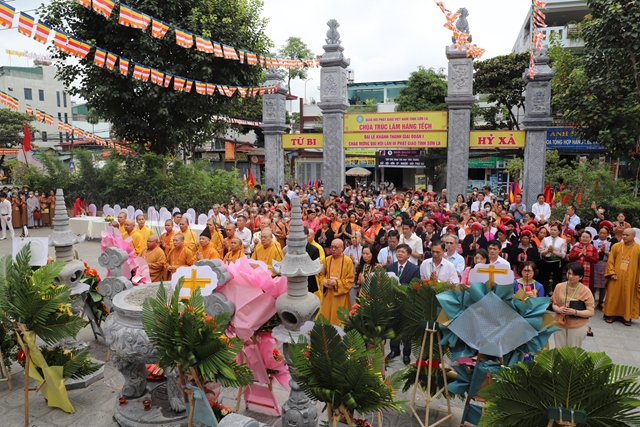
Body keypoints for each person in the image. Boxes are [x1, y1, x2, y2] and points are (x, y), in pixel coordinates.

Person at [551, 262, 595, 348]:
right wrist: (559, 309)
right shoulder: (559, 286)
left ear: (581, 277)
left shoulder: (585, 290)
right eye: (569, 273)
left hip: (577, 325)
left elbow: (591, 312)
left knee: (572, 351)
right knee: (559, 349)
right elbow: (554, 304)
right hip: (559, 322)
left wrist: (574, 312)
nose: (570, 276)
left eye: (574, 274)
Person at [603, 228, 640, 326]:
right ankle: (610, 314)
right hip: (616, 276)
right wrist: (611, 273)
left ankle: (626, 316)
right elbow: (610, 261)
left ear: (634, 236)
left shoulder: (638, 248)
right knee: (613, 295)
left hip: (631, 277)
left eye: (627, 235)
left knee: (627, 296)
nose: (624, 236)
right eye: (623, 234)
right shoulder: (616, 246)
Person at [317, 239, 355, 326]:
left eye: (336, 247)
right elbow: (320, 275)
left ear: (342, 248)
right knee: (326, 319)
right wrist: (324, 282)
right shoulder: (327, 260)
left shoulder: (348, 261)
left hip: (340, 296)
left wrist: (336, 283)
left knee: (339, 320)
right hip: (328, 295)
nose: (333, 249)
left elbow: (350, 280)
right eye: (332, 247)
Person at [538, 222, 567, 295]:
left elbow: (563, 255)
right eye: (551, 230)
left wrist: (553, 252)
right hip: (546, 262)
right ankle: (544, 294)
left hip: (557, 263)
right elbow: (540, 252)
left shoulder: (562, 241)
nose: (553, 231)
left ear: (559, 231)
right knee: (544, 280)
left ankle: (555, 296)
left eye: (555, 230)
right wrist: (547, 251)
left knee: (556, 281)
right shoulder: (545, 239)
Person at [592, 221, 614, 310]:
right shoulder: (593, 242)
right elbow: (591, 254)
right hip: (595, 264)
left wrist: (605, 252)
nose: (602, 235)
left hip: (605, 264)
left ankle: (600, 302)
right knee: (593, 284)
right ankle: (591, 301)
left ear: (608, 234)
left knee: (603, 285)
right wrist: (599, 251)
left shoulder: (610, 243)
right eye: (601, 233)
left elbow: (612, 256)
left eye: (604, 233)